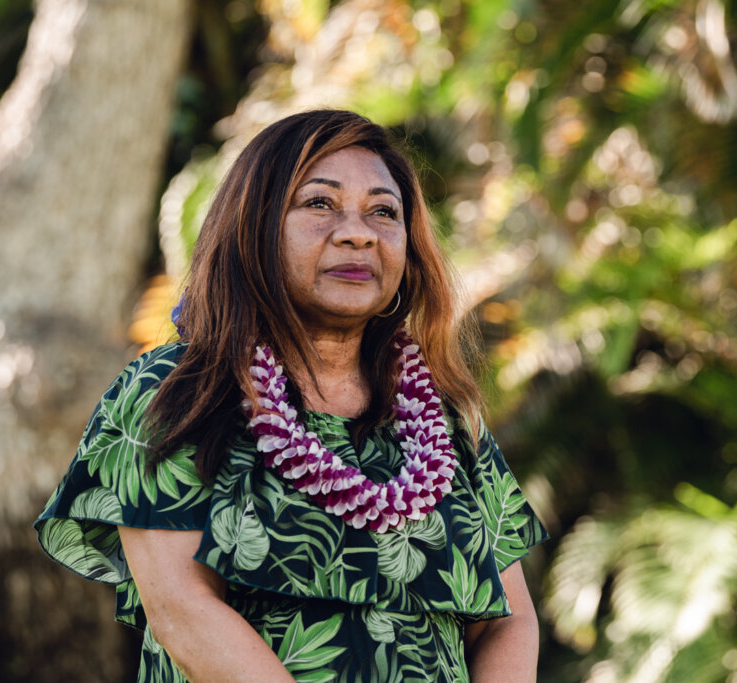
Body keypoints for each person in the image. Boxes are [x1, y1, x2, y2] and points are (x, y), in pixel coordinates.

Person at [35, 109, 548, 682]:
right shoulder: (177, 390)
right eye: (319, 204)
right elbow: (181, 609)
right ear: (254, 227)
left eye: (383, 212)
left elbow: (509, 619)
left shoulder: (444, 421)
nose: (358, 233)